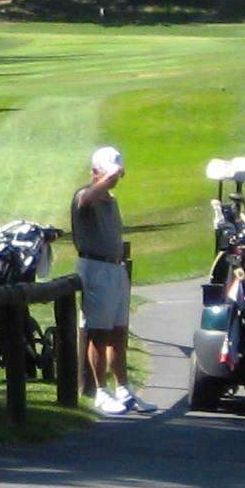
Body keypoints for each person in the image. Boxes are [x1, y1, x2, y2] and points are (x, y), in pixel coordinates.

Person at [75, 144, 139, 414]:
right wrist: (107, 179)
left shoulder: (111, 200)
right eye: (108, 175)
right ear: (95, 173)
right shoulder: (84, 196)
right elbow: (87, 198)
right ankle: (100, 391)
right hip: (95, 268)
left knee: (118, 333)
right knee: (98, 334)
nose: (114, 180)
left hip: (115, 269)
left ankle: (122, 387)